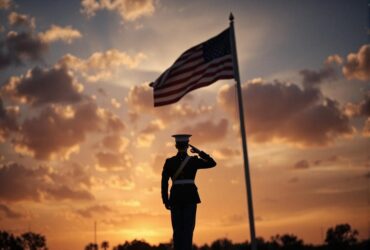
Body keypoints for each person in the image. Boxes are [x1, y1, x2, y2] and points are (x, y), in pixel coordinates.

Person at [161, 134, 216, 250]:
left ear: (176, 146)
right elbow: (212, 163)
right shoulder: (193, 160)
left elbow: (164, 183)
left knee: (177, 230)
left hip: (175, 198)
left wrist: (166, 200)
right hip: (190, 197)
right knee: (188, 230)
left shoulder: (170, 162)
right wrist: (199, 152)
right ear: (187, 146)